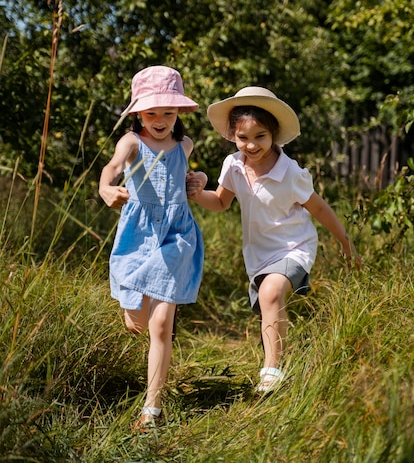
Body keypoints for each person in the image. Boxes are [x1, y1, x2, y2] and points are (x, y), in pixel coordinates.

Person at [187, 86, 360, 393]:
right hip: (258, 254)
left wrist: (346, 242)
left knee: (270, 293)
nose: (251, 145)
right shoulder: (234, 166)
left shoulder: (290, 172)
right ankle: (277, 355)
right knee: (268, 299)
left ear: (274, 134)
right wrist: (198, 194)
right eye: (243, 137)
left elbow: (319, 207)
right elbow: (221, 202)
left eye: (260, 136)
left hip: (295, 247)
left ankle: (271, 372)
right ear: (232, 136)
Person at [99, 65, 205, 430]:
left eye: (168, 112)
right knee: (138, 323)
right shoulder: (132, 143)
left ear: (179, 113)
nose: (160, 120)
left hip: (176, 236)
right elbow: (111, 168)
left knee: (161, 324)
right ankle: (134, 310)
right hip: (137, 236)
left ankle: (152, 408)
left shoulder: (184, 145)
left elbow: (189, 175)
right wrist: (106, 189)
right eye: (152, 112)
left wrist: (199, 179)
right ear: (138, 112)